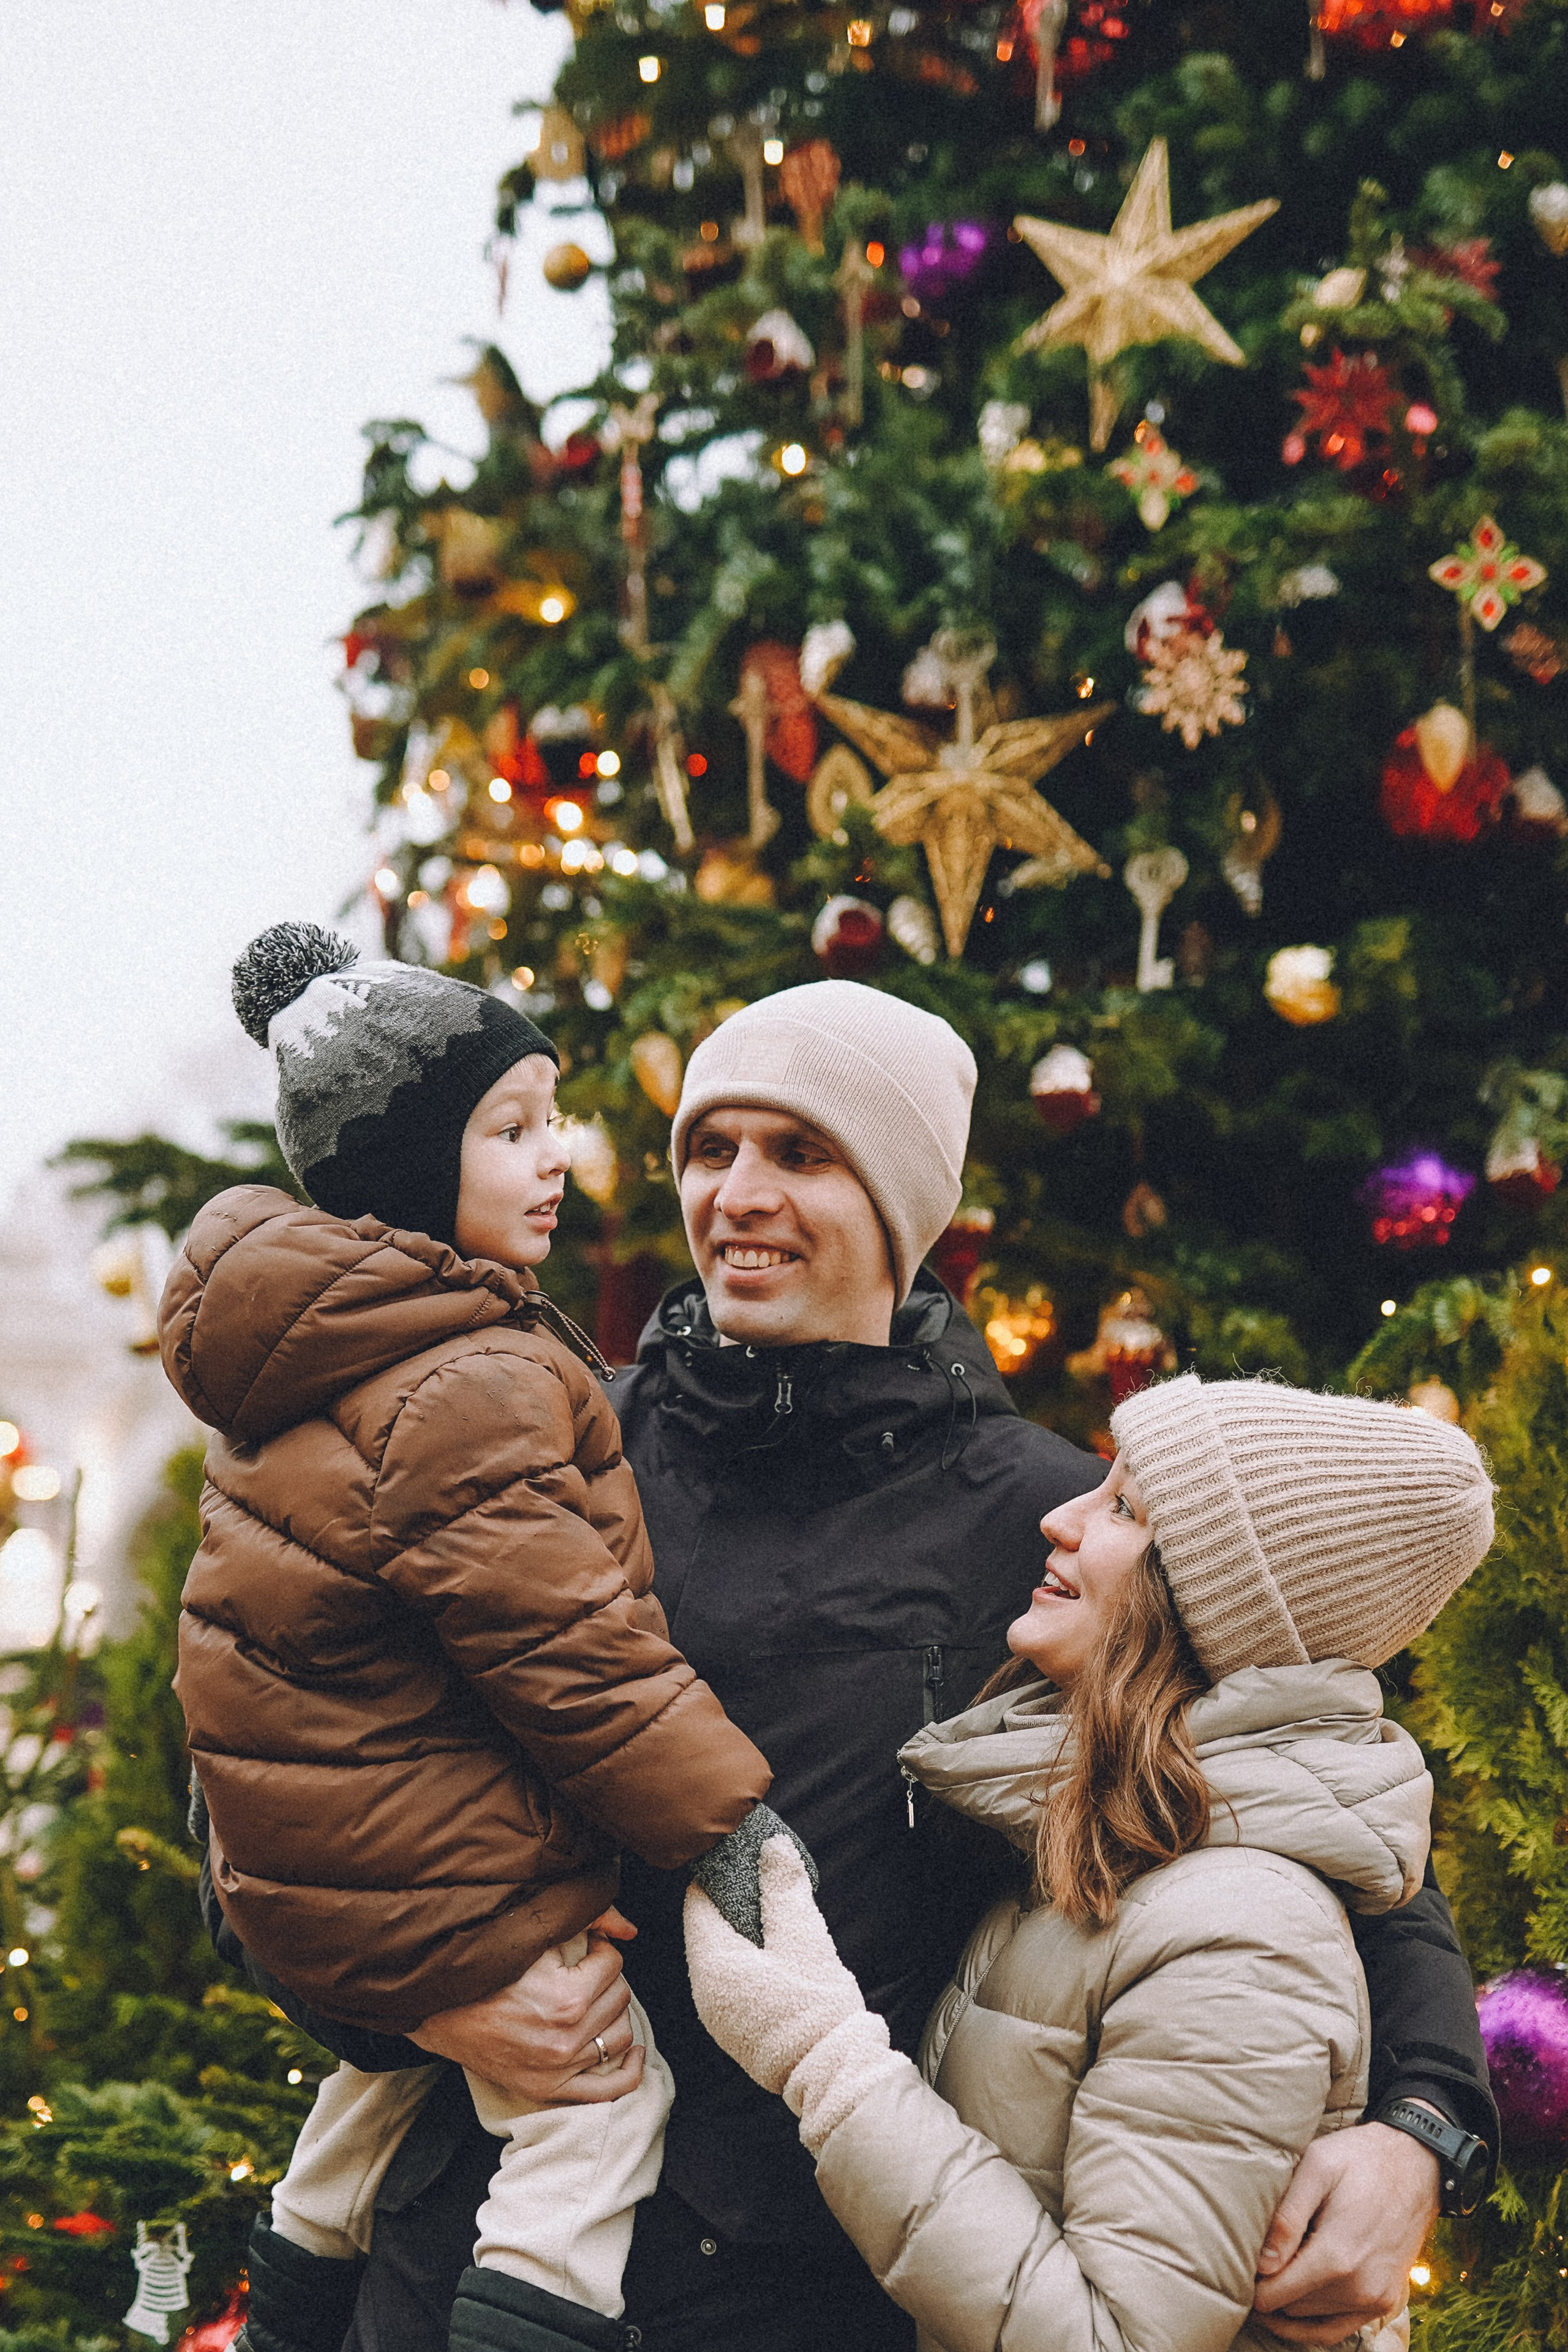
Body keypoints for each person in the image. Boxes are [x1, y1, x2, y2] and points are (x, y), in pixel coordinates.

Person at [221, 981, 1496, 2352]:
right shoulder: (529, 1450)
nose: (738, 1195)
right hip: (476, 2260)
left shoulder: (1051, 1530)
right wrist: (430, 1998)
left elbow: (1309, 1813)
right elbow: (270, 1781)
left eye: (802, 1154)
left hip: (823, 2291)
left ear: (899, 1205)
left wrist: (1420, 2127)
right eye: (711, 1150)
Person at [161, 923, 802, 2352]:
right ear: (408, 1171)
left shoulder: (316, 1352)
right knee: (599, 2104)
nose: (556, 1156)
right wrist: (723, 1823)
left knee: (382, 2086)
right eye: (510, 1130)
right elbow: (569, 1651)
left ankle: (290, 2300)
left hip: (318, 1851)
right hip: (415, 1858)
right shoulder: (469, 1378)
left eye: (550, 1118)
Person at [684, 1371, 1498, 2352]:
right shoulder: (1111, 1833)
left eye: (1125, 1508)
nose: (1061, 1518)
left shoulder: (1239, 1935)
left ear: (1212, 1605)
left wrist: (827, 2063)